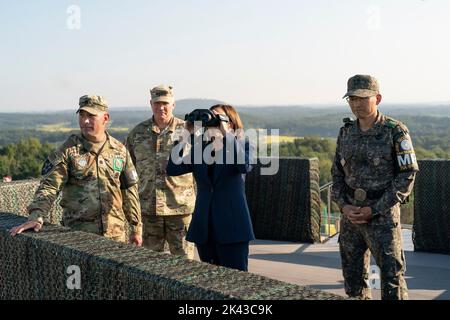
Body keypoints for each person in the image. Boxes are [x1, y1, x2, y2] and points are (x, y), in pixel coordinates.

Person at [10, 95, 143, 246]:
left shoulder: (120, 151)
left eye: (91, 116)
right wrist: (36, 216)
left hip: (115, 236)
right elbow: (49, 186)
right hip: (78, 237)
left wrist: (136, 228)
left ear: (105, 118)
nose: (85, 121)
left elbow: (129, 191)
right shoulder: (69, 151)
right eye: (82, 115)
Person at [331, 75, 419, 300]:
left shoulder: (395, 131)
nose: (356, 104)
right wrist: (343, 207)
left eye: (362, 98)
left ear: (377, 98)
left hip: (382, 219)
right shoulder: (346, 132)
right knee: (353, 281)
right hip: (351, 218)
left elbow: (407, 175)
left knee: (392, 281)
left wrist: (375, 209)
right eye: (351, 98)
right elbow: (337, 174)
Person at [166, 104, 255, 271]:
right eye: (211, 121)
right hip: (204, 229)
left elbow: (244, 166)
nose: (212, 125)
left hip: (232, 229)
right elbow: (173, 168)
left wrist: (226, 133)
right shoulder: (200, 149)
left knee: (236, 283)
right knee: (209, 282)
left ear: (232, 124)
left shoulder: (244, 145)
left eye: (218, 119)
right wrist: (185, 134)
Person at [125, 85, 196, 259]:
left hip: (180, 211)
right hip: (148, 211)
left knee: (185, 264)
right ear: (151, 104)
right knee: (147, 264)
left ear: (173, 104)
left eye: (165, 103)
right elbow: (127, 171)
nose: (161, 107)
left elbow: (202, 169)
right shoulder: (137, 133)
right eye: (157, 103)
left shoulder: (188, 131)